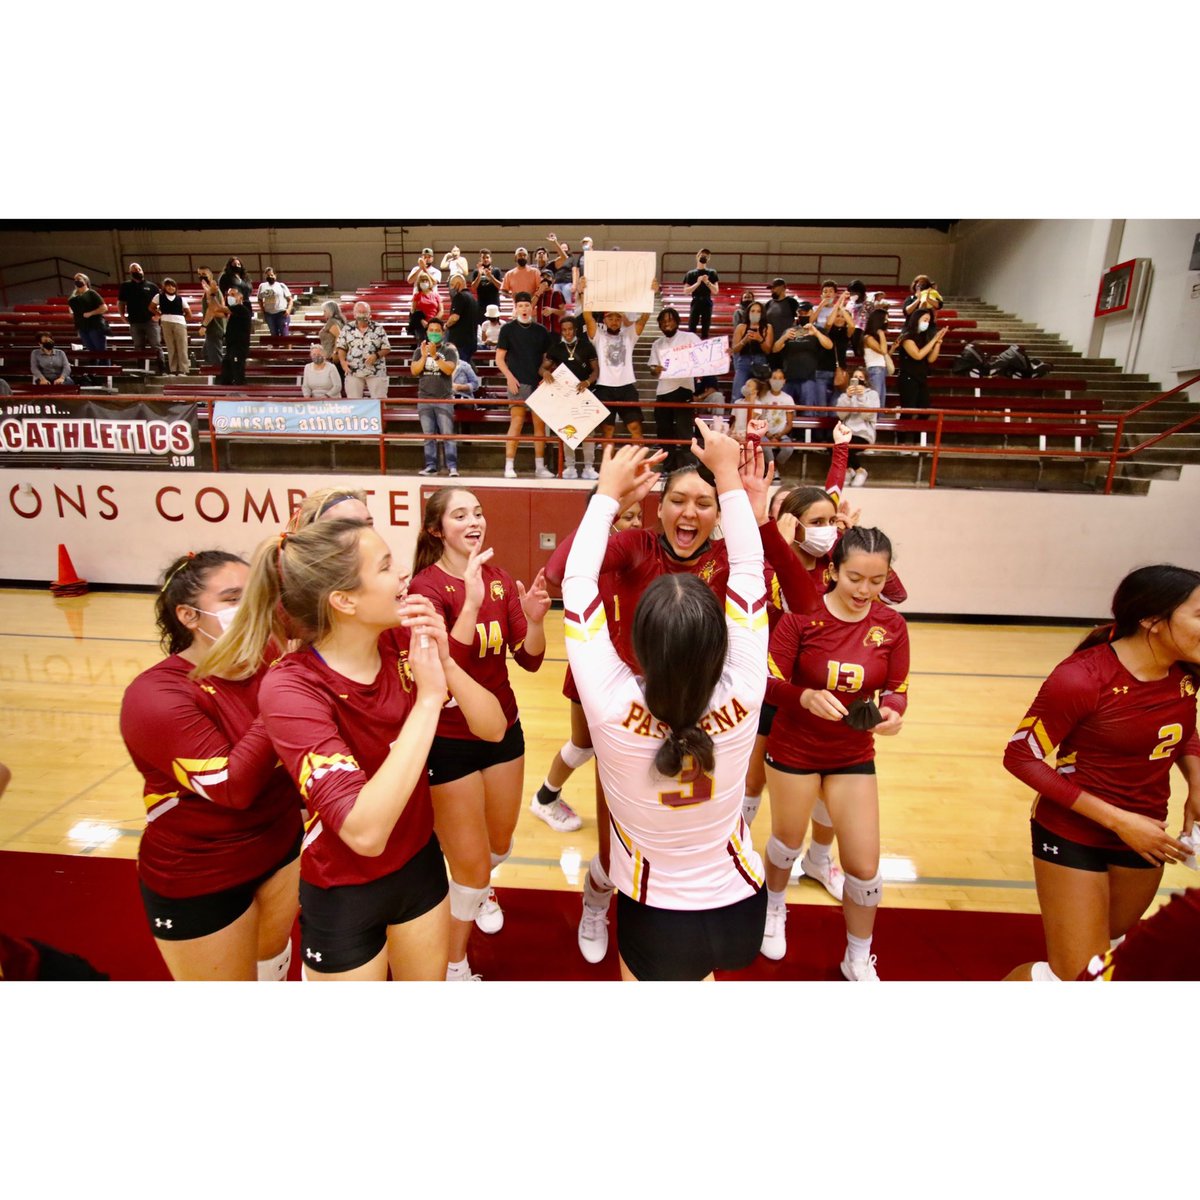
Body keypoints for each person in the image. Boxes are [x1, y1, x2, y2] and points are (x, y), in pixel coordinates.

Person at [196, 518, 505, 981]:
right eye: (384, 567)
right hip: (344, 888)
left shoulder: (402, 641)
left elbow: (494, 728)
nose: (403, 574)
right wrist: (426, 700)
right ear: (343, 600)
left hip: (419, 866)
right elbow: (364, 832)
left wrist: (444, 663)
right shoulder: (291, 687)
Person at [545, 444, 818, 963]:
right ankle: (595, 902)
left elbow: (575, 582)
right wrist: (736, 490)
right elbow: (751, 575)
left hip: (633, 752)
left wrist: (606, 495)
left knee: (622, 853)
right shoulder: (745, 687)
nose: (688, 512)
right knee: (610, 853)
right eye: (676, 500)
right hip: (734, 886)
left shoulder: (609, 699)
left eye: (704, 501)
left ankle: (606, 899)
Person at [1002, 565, 1200, 983]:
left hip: (1146, 836)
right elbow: (1021, 757)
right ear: (1152, 619)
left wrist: (1196, 787)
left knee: (1100, 962)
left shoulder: (1185, 674)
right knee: (1077, 977)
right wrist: (1120, 821)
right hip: (1075, 833)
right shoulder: (1081, 679)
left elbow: (1182, 730)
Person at [119, 550, 304, 981]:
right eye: (232, 597)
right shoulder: (157, 696)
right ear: (188, 615)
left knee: (273, 967)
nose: (250, 607)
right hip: (202, 874)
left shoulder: (269, 659)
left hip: (280, 847)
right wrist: (283, 690)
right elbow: (232, 788)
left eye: (254, 595)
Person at [409, 489, 550, 980]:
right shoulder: (424, 590)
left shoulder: (500, 579)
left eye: (479, 512)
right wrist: (467, 606)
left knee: (500, 843)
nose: (475, 521)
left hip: (503, 727)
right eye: (460, 514)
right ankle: (453, 964)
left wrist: (533, 620)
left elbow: (529, 659)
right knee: (470, 867)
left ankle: (477, 882)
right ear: (436, 530)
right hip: (448, 740)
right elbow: (448, 673)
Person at [762, 526, 910, 980]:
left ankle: (858, 956)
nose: (865, 591)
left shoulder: (891, 626)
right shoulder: (800, 618)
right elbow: (766, 682)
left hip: (852, 754)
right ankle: (773, 906)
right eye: (855, 578)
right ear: (833, 571)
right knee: (786, 841)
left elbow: (898, 688)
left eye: (877, 581)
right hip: (794, 748)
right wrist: (802, 697)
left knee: (865, 868)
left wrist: (892, 712)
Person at [530, 493, 644, 832]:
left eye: (639, 515)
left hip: (636, 673)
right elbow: (556, 570)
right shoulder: (588, 561)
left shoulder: (642, 553)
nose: (636, 523)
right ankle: (545, 798)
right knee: (584, 745)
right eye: (627, 516)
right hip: (593, 670)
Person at [496, 292, 553, 479]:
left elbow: (546, 359)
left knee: (540, 425)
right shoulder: (508, 330)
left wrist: (545, 374)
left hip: (538, 383)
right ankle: (509, 466)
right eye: (520, 306)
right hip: (518, 383)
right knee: (517, 422)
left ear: (532, 308)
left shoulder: (541, 331)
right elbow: (499, 359)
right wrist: (509, 378)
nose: (524, 309)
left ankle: (540, 467)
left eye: (527, 305)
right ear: (515, 308)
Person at [584, 303, 654, 445]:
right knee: (607, 431)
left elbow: (644, 318)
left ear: (622, 320)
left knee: (635, 427)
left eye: (617, 318)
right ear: (604, 320)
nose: (614, 322)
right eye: (610, 318)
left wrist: (650, 294)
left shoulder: (629, 335)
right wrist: (585, 295)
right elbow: (588, 317)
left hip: (626, 387)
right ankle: (608, 466)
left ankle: (638, 466)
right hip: (604, 387)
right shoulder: (598, 336)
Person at [540, 314, 599, 480]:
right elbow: (541, 368)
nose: (567, 333)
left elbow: (596, 370)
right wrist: (545, 373)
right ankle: (570, 467)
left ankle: (589, 467)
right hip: (565, 396)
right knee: (567, 431)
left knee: (588, 432)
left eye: (570, 329)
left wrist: (587, 381)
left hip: (585, 393)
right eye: (564, 330)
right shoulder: (556, 348)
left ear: (576, 330)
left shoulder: (587, 346)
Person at [648, 306, 701, 472]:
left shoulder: (689, 337)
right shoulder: (657, 344)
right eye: (663, 322)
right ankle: (668, 469)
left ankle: (690, 470)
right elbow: (652, 369)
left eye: (670, 320)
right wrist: (655, 370)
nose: (666, 324)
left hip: (683, 388)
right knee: (664, 434)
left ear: (677, 321)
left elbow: (704, 355)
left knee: (685, 433)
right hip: (663, 392)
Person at [410, 318, 460, 477]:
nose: (433, 333)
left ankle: (452, 467)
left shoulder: (449, 351)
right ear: (427, 332)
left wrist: (435, 356)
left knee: (447, 434)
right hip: (424, 399)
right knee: (428, 435)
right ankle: (431, 466)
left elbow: (448, 370)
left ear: (443, 333)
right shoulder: (419, 351)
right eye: (431, 330)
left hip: (444, 399)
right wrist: (425, 356)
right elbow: (414, 371)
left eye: (437, 330)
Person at [895, 306, 947, 443]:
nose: (927, 323)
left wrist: (937, 343)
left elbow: (930, 359)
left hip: (921, 377)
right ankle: (901, 442)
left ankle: (916, 441)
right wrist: (933, 340)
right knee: (908, 411)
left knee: (925, 410)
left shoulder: (924, 338)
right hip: (907, 378)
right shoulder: (906, 337)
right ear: (916, 319)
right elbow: (917, 355)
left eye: (928, 320)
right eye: (924, 319)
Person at [773, 301, 834, 416]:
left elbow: (829, 345)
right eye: (800, 312)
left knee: (808, 411)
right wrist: (784, 338)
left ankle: (806, 434)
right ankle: (787, 433)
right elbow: (775, 349)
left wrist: (816, 333)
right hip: (789, 377)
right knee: (785, 412)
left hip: (808, 377)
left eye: (805, 312)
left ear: (812, 313)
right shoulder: (790, 330)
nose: (803, 315)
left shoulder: (818, 330)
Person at [835, 367, 880, 486]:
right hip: (846, 432)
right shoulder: (846, 395)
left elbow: (868, 416)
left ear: (865, 380)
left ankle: (859, 471)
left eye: (860, 377)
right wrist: (848, 398)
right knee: (832, 445)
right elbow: (841, 415)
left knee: (844, 446)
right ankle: (850, 470)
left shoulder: (873, 395)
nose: (857, 379)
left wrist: (861, 398)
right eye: (855, 377)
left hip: (863, 434)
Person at [337, 302, 391, 399]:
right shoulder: (347, 328)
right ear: (354, 314)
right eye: (359, 312)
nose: (362, 314)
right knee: (353, 403)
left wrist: (376, 356)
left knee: (379, 401)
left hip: (376, 371)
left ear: (370, 314)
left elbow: (386, 348)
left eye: (364, 312)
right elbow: (341, 347)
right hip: (353, 370)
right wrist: (342, 362)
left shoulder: (378, 328)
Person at [118, 261, 165, 373]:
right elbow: (121, 302)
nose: (137, 272)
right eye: (134, 270)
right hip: (134, 321)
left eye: (139, 269)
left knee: (156, 345)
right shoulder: (125, 286)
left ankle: (161, 368)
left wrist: (158, 315)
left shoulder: (152, 286)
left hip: (150, 320)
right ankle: (141, 370)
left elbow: (161, 303)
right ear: (130, 273)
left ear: (142, 270)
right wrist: (122, 315)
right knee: (138, 346)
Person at [730, 297, 772, 408]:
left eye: (758, 311)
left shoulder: (767, 327)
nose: (755, 313)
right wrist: (744, 341)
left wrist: (759, 339)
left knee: (761, 395)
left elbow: (768, 350)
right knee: (737, 393)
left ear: (762, 313)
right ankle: (735, 420)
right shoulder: (741, 327)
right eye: (752, 311)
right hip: (743, 361)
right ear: (748, 313)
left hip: (760, 361)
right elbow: (734, 349)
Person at [157, 278, 193, 375]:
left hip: (179, 323)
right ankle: (173, 369)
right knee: (171, 347)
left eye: (173, 286)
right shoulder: (159, 297)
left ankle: (183, 369)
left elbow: (189, 313)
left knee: (182, 347)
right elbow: (151, 307)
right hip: (166, 323)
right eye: (168, 285)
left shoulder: (180, 299)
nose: (171, 288)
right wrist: (160, 315)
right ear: (164, 287)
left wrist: (180, 318)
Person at [67, 273, 108, 354]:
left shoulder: (92, 293)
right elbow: (71, 306)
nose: (77, 281)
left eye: (79, 279)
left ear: (85, 281)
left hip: (94, 325)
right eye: (75, 280)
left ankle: (104, 366)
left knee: (100, 351)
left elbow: (104, 308)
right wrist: (71, 312)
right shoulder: (74, 295)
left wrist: (91, 313)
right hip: (81, 325)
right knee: (91, 350)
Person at [683, 249, 719, 339]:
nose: (703, 257)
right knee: (692, 328)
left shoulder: (712, 272)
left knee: (705, 328)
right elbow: (686, 291)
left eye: (706, 256)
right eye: (701, 254)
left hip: (707, 300)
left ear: (709, 259)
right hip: (696, 300)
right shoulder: (690, 273)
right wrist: (697, 283)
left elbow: (716, 290)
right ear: (697, 256)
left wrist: (707, 282)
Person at [763, 278, 800, 367]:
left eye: (774, 288)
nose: (772, 290)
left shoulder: (791, 302)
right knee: (774, 373)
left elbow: (800, 320)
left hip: (787, 344)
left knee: (785, 372)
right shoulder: (768, 304)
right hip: (771, 344)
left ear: (783, 287)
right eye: (771, 288)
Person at [219, 285, 251, 385]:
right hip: (230, 345)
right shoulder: (233, 311)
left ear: (240, 297)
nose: (230, 297)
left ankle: (242, 395)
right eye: (228, 295)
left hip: (239, 346)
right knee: (226, 371)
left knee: (238, 373)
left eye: (233, 294)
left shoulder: (241, 308)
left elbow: (217, 307)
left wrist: (212, 294)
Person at [445, 272, 479, 364]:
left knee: (459, 369)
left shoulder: (459, 297)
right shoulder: (472, 298)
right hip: (471, 340)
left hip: (460, 342)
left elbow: (454, 317)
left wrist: (446, 326)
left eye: (452, 285)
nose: (450, 288)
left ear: (458, 284)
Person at [862, 305, 892, 408]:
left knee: (881, 402)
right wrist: (881, 334)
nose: (886, 322)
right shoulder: (868, 338)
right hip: (875, 370)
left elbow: (883, 354)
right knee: (875, 402)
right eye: (885, 319)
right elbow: (883, 351)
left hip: (880, 369)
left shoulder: (875, 337)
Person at [197, 266, 226, 366]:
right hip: (212, 329)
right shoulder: (208, 290)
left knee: (216, 359)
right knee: (205, 353)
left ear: (210, 275)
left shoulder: (214, 291)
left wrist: (204, 326)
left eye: (204, 274)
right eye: (199, 275)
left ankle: (221, 378)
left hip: (215, 328)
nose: (201, 277)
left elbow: (212, 310)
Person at [408, 269, 443, 342]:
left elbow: (441, 311)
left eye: (426, 280)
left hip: (434, 323)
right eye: (422, 281)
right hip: (421, 324)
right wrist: (422, 320)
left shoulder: (436, 295)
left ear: (429, 282)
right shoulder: (417, 296)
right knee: (422, 342)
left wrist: (433, 321)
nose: (424, 282)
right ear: (419, 283)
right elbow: (413, 310)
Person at [257, 267, 294, 337]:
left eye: (271, 275)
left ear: (275, 275)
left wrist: (288, 310)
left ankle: (287, 348)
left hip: (282, 313)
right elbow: (259, 299)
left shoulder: (281, 285)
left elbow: (290, 299)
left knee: (285, 335)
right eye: (268, 275)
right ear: (265, 276)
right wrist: (262, 310)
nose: (270, 277)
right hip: (269, 314)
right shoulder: (262, 286)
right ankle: (275, 348)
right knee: (274, 335)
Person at [470, 250, 504, 316]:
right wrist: (479, 275)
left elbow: (501, 287)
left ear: (490, 259)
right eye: (483, 258)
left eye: (487, 257)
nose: (485, 259)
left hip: (494, 304)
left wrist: (491, 277)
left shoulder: (496, 270)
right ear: (480, 259)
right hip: (481, 305)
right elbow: (473, 288)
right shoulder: (476, 272)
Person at [318, 300, 345, 383]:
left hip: (332, 358)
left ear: (330, 311)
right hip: (331, 356)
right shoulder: (337, 321)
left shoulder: (332, 322)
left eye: (325, 311)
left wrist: (335, 353)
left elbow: (339, 337)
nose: (323, 313)